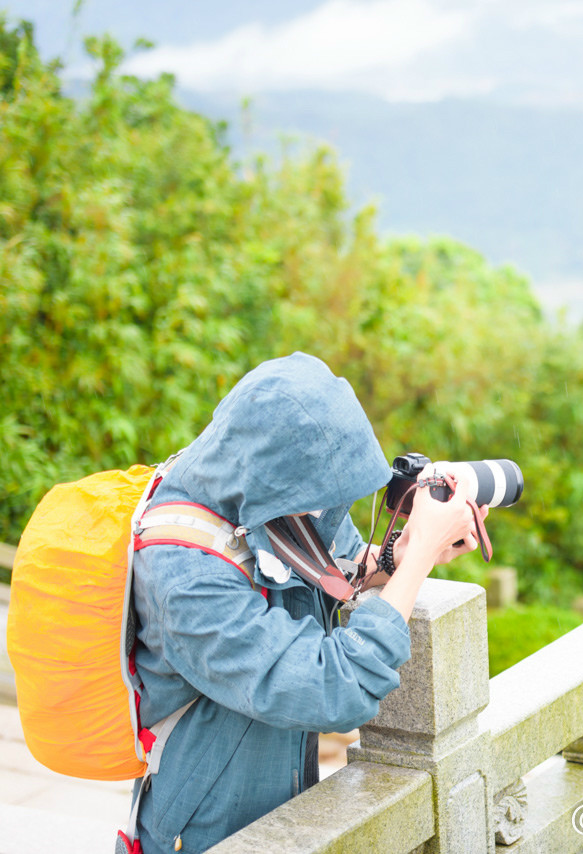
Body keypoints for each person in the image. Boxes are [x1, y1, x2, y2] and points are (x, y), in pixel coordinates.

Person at [129, 352, 484, 853]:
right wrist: (423, 551)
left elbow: (334, 568)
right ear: (280, 468)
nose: (324, 506)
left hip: (283, 802)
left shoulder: (269, 486)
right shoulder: (183, 574)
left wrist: (396, 556)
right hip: (204, 833)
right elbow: (334, 688)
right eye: (317, 491)